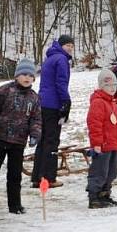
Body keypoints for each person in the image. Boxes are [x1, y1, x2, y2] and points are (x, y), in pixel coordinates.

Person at [0, 58, 42, 216]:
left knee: (15, 174)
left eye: (30, 75)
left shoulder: (34, 98)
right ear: (16, 76)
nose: (27, 78)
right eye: (23, 74)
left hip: (18, 141)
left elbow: (36, 119)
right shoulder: (4, 90)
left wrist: (35, 134)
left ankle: (15, 205)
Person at [32, 35, 74, 189]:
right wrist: (66, 101)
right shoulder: (61, 59)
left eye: (71, 46)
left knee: (43, 140)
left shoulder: (50, 58)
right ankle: (48, 177)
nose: (70, 48)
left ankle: (37, 176)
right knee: (52, 140)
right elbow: (61, 82)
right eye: (67, 45)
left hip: (43, 102)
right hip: (53, 103)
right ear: (60, 45)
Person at [85, 69, 117, 209]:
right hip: (102, 145)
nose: (112, 88)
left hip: (113, 144)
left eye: (115, 85)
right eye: (108, 86)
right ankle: (94, 196)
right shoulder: (98, 103)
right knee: (99, 171)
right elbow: (95, 124)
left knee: (111, 171)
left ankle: (105, 194)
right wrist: (96, 143)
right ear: (101, 86)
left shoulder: (113, 103)